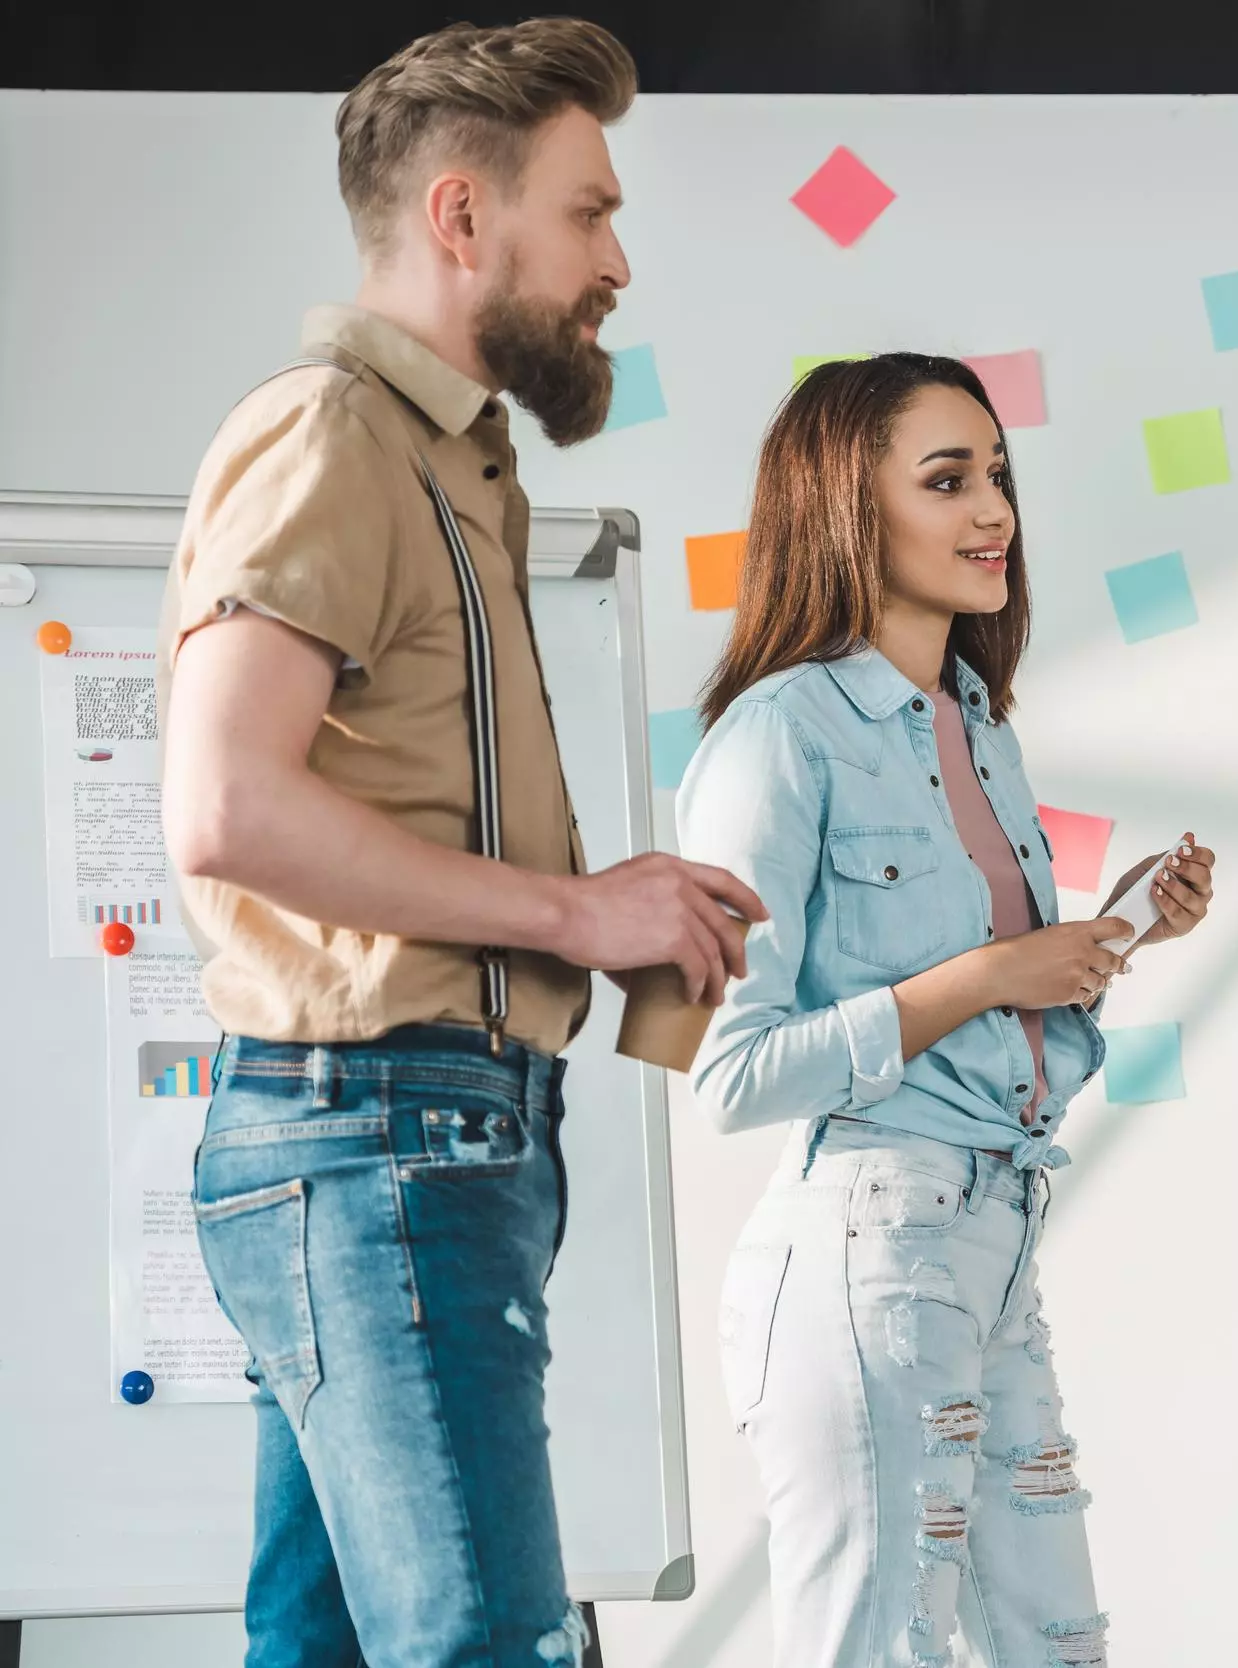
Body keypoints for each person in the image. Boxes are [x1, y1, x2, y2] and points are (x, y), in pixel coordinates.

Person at [159, 22, 766, 1667]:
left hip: (415, 1133)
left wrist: (598, 919)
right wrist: (570, 911)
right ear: (460, 216)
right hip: (381, 1140)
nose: (618, 262)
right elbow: (226, 801)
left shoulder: (445, 462)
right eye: (590, 214)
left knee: (326, 1647)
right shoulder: (334, 436)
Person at [674, 353, 1217, 1668]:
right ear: (849, 511)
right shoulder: (777, 737)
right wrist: (986, 977)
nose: (994, 514)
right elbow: (730, 1074)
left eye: (999, 477)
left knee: (1053, 1646)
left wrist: (1113, 934)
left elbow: (1006, 1022)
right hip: (865, 1248)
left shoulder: (977, 724)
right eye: (948, 480)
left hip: (993, 1237)